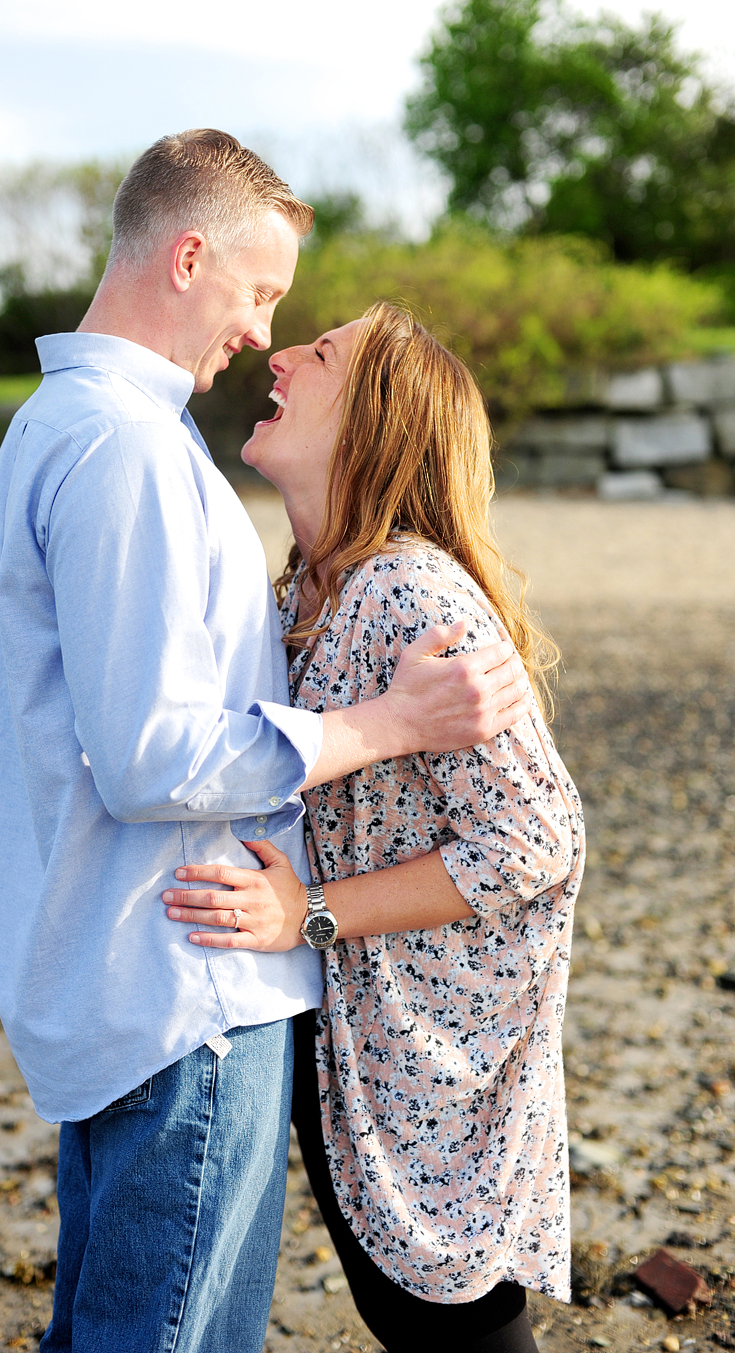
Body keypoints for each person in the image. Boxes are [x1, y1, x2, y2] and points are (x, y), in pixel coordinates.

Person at [0, 131, 531, 1353]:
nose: (262, 333)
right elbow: (150, 757)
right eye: (260, 291)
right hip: (184, 992)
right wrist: (381, 726)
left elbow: (533, 834)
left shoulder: (66, 428)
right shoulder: (125, 446)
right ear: (185, 257)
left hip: (136, 978)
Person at [164, 302, 585, 1352]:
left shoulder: (408, 592)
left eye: (326, 352)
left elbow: (539, 838)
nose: (282, 352)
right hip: (355, 1032)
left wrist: (312, 915)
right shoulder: (302, 590)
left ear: (376, 423)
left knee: (455, 1327)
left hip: (430, 1051)